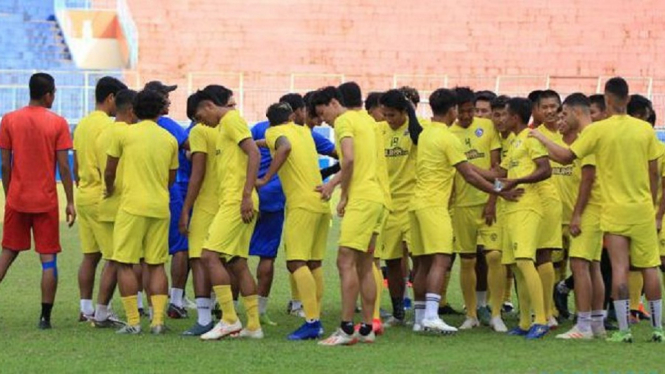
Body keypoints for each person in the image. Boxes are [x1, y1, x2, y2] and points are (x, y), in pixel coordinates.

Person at [530, 77, 664, 343]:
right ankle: (656, 328)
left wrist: (541, 139)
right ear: (627, 99)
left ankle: (616, 329)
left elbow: (569, 160)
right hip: (641, 208)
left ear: (608, 100)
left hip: (610, 209)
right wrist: (651, 205)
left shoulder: (597, 131)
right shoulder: (645, 130)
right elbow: (653, 172)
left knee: (614, 268)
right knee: (648, 267)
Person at [0, 72, 76, 329]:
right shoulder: (58, 123)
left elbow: (4, 163)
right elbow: (64, 167)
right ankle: (45, 317)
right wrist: (70, 201)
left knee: (7, 253)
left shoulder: (9, 120)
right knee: (48, 259)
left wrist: (10, 193)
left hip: (17, 199)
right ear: (48, 94)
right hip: (45, 201)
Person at [311, 86, 383, 345]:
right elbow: (363, 160)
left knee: (345, 261)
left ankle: (346, 328)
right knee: (365, 263)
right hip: (377, 198)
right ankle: (367, 329)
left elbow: (350, 159)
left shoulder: (344, 121)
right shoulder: (369, 120)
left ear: (333, 102)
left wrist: (337, 190)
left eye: (324, 114)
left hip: (362, 199)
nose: (325, 121)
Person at [190, 86, 263, 340]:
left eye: (201, 117)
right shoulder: (223, 127)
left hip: (236, 200)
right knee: (237, 262)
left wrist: (245, 195)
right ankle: (253, 325)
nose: (202, 123)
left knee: (209, 255)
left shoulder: (231, 120)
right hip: (234, 200)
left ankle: (229, 319)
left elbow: (253, 152)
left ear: (209, 106)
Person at [477, 97, 554, 339]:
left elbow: (545, 169)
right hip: (511, 209)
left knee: (524, 261)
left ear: (515, 117)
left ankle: (541, 319)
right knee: (518, 267)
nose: (500, 119)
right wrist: (462, 165)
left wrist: (518, 181)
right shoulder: (514, 141)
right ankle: (523, 322)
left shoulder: (530, 138)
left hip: (527, 207)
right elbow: (498, 174)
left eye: (505, 114)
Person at [105, 89, 179, 335]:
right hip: (160, 206)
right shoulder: (169, 139)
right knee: (156, 264)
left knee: (125, 263)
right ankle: (157, 321)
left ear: (133, 110)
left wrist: (109, 188)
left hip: (132, 206)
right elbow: (171, 177)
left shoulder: (126, 134)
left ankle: (134, 321)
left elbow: (110, 170)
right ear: (160, 111)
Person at [257, 102, 331, 340]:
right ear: (291, 116)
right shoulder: (304, 131)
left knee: (295, 263)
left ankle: (311, 321)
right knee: (314, 263)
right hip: (320, 201)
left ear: (270, 122)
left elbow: (284, 147)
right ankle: (315, 317)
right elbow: (279, 143)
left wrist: (266, 177)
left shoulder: (273, 132)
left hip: (301, 205)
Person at [543, 94, 606, 340]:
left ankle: (582, 326)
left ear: (575, 112)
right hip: (599, 207)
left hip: (590, 208)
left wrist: (577, 214)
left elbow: (587, 178)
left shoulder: (589, 135)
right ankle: (597, 322)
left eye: (564, 113)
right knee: (593, 266)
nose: (561, 118)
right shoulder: (596, 133)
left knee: (579, 265)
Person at [449, 87, 505, 331]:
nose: (467, 115)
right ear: (454, 111)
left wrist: (493, 200)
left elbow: (498, 168)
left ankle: (495, 313)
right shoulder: (448, 134)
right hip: (462, 206)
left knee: (494, 256)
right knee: (467, 260)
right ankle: (471, 314)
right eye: (462, 112)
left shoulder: (488, 127)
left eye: (470, 110)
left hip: (489, 203)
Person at [74, 76, 127, 321]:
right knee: (115, 256)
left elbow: (76, 162)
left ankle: (85, 308)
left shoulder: (82, 124)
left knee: (90, 255)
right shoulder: (107, 127)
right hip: (101, 195)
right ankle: (103, 310)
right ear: (111, 98)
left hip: (83, 193)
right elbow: (109, 165)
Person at [91, 88, 138, 328]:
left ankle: (102, 311)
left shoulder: (103, 134)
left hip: (107, 202)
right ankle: (132, 312)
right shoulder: (130, 135)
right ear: (131, 110)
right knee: (124, 261)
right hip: (125, 202)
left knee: (113, 259)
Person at [144, 81, 191, 319]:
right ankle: (175, 299)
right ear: (158, 101)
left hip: (137, 195)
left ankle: (144, 304)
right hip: (172, 191)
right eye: (166, 96)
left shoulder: (133, 127)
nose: (169, 101)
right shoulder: (170, 126)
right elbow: (192, 149)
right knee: (181, 247)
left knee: (144, 252)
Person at [376, 89, 421, 327]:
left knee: (419, 260)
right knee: (392, 262)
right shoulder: (379, 130)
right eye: (385, 114)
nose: (388, 119)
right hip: (388, 205)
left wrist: (411, 113)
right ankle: (398, 311)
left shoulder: (416, 129)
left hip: (412, 204)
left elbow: (418, 138)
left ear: (405, 111)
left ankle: (422, 313)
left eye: (392, 115)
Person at [177, 95, 222, 336]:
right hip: (228, 201)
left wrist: (185, 208)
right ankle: (233, 315)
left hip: (206, 203)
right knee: (231, 261)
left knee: (198, 258)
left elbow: (198, 172)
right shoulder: (228, 129)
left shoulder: (199, 132)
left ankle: (205, 319)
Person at [534, 89, 564, 327]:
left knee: (582, 263)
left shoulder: (575, 135)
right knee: (543, 256)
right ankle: (547, 310)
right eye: (544, 107)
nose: (549, 111)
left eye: (553, 106)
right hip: (543, 204)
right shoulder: (534, 136)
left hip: (575, 209)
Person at [490, 95, 517, 313]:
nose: (500, 119)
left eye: (503, 115)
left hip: (514, 202)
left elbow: (500, 175)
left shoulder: (516, 140)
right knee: (496, 255)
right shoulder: (492, 138)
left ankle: (507, 300)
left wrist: (494, 195)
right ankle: (494, 303)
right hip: (497, 202)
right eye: (495, 115)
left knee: (514, 257)